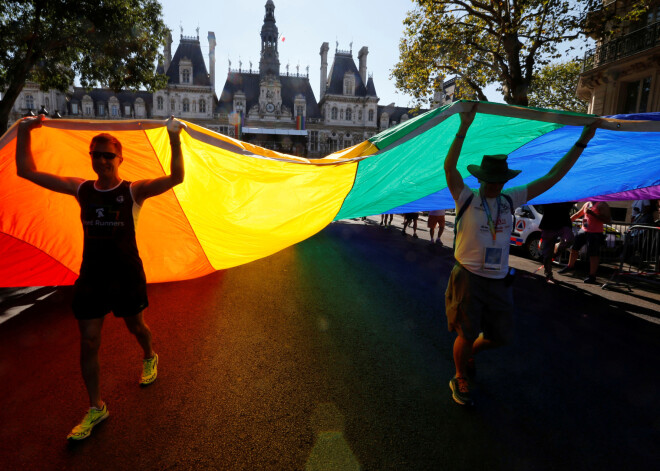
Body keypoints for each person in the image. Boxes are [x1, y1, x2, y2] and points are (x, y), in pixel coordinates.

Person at [15, 114, 186, 440]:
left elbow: (177, 176)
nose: (103, 160)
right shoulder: (81, 189)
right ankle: (96, 407)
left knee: (137, 326)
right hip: (92, 277)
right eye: (97, 154)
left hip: (126, 276)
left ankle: (149, 355)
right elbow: (27, 171)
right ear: (91, 158)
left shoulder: (134, 191)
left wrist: (174, 137)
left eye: (109, 154)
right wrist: (24, 130)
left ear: (120, 158)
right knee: (89, 341)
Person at [444, 104, 600, 406]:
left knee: (501, 336)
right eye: (490, 179)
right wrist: (463, 127)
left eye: (499, 179)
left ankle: (471, 354)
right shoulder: (465, 197)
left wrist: (583, 141)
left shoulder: (510, 198)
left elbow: (553, 176)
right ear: (480, 179)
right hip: (467, 277)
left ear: (504, 180)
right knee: (465, 331)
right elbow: (449, 168)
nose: (494, 184)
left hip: (499, 280)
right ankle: (459, 375)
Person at [558, 201, 611, 284]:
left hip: (595, 233)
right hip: (584, 230)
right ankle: (570, 266)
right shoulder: (587, 204)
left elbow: (608, 220)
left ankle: (592, 276)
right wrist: (565, 223)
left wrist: (593, 214)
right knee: (574, 248)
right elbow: (577, 215)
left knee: (593, 254)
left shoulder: (602, 204)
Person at [538, 202, 575, 283]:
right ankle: (548, 274)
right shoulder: (549, 194)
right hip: (549, 224)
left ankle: (556, 249)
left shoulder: (567, 194)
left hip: (563, 223)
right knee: (547, 254)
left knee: (569, 239)